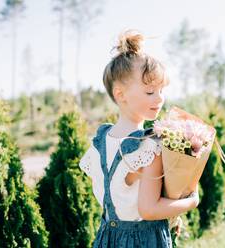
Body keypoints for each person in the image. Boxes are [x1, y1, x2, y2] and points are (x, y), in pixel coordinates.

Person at [79, 29, 199, 248]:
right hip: (143, 240)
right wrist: (190, 201)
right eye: (150, 91)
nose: (160, 98)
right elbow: (149, 210)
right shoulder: (147, 148)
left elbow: (117, 198)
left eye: (162, 90)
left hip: (108, 237)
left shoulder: (99, 143)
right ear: (120, 94)